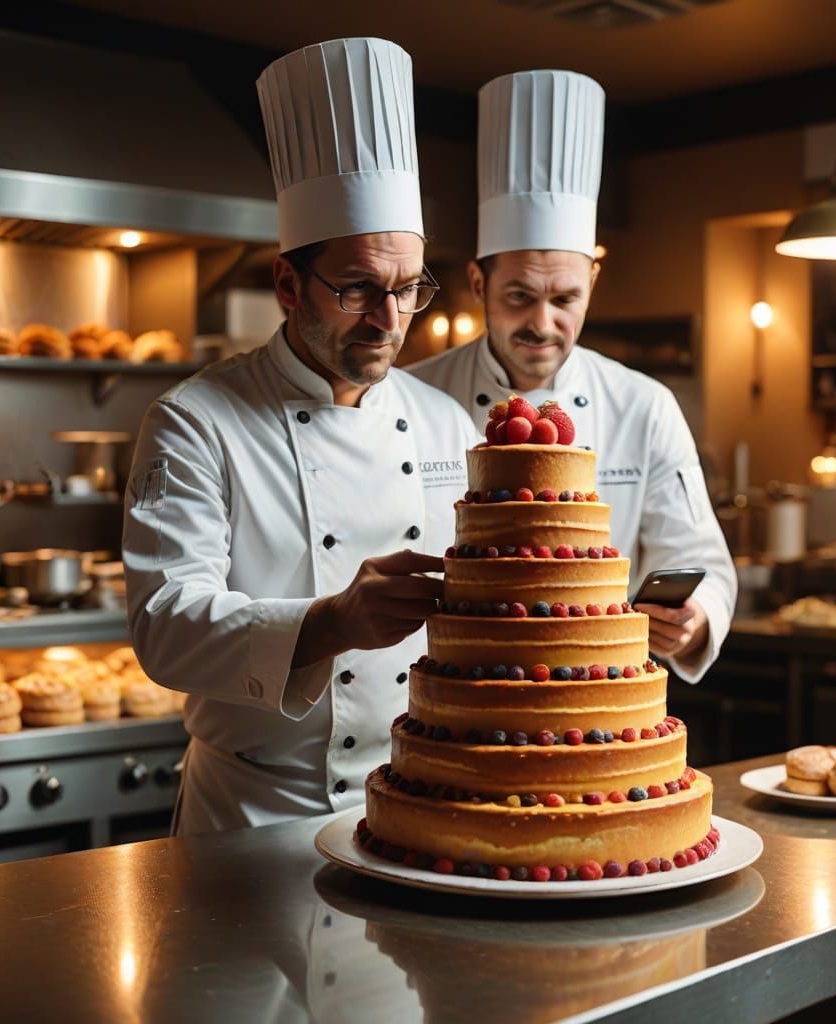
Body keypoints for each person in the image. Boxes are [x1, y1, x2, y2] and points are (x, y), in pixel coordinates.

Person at [123, 38, 477, 834]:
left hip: (420, 805)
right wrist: (331, 622)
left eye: (407, 290)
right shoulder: (195, 420)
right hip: (250, 818)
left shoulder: (445, 422)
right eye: (357, 288)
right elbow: (165, 626)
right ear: (288, 283)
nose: (388, 322)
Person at [410, 69, 736, 681]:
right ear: (478, 284)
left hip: (593, 705)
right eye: (518, 296)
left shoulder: (645, 405)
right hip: (456, 694)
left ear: (592, 286)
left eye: (565, 299)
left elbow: (702, 561)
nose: (542, 322)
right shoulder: (412, 396)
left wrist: (695, 617)